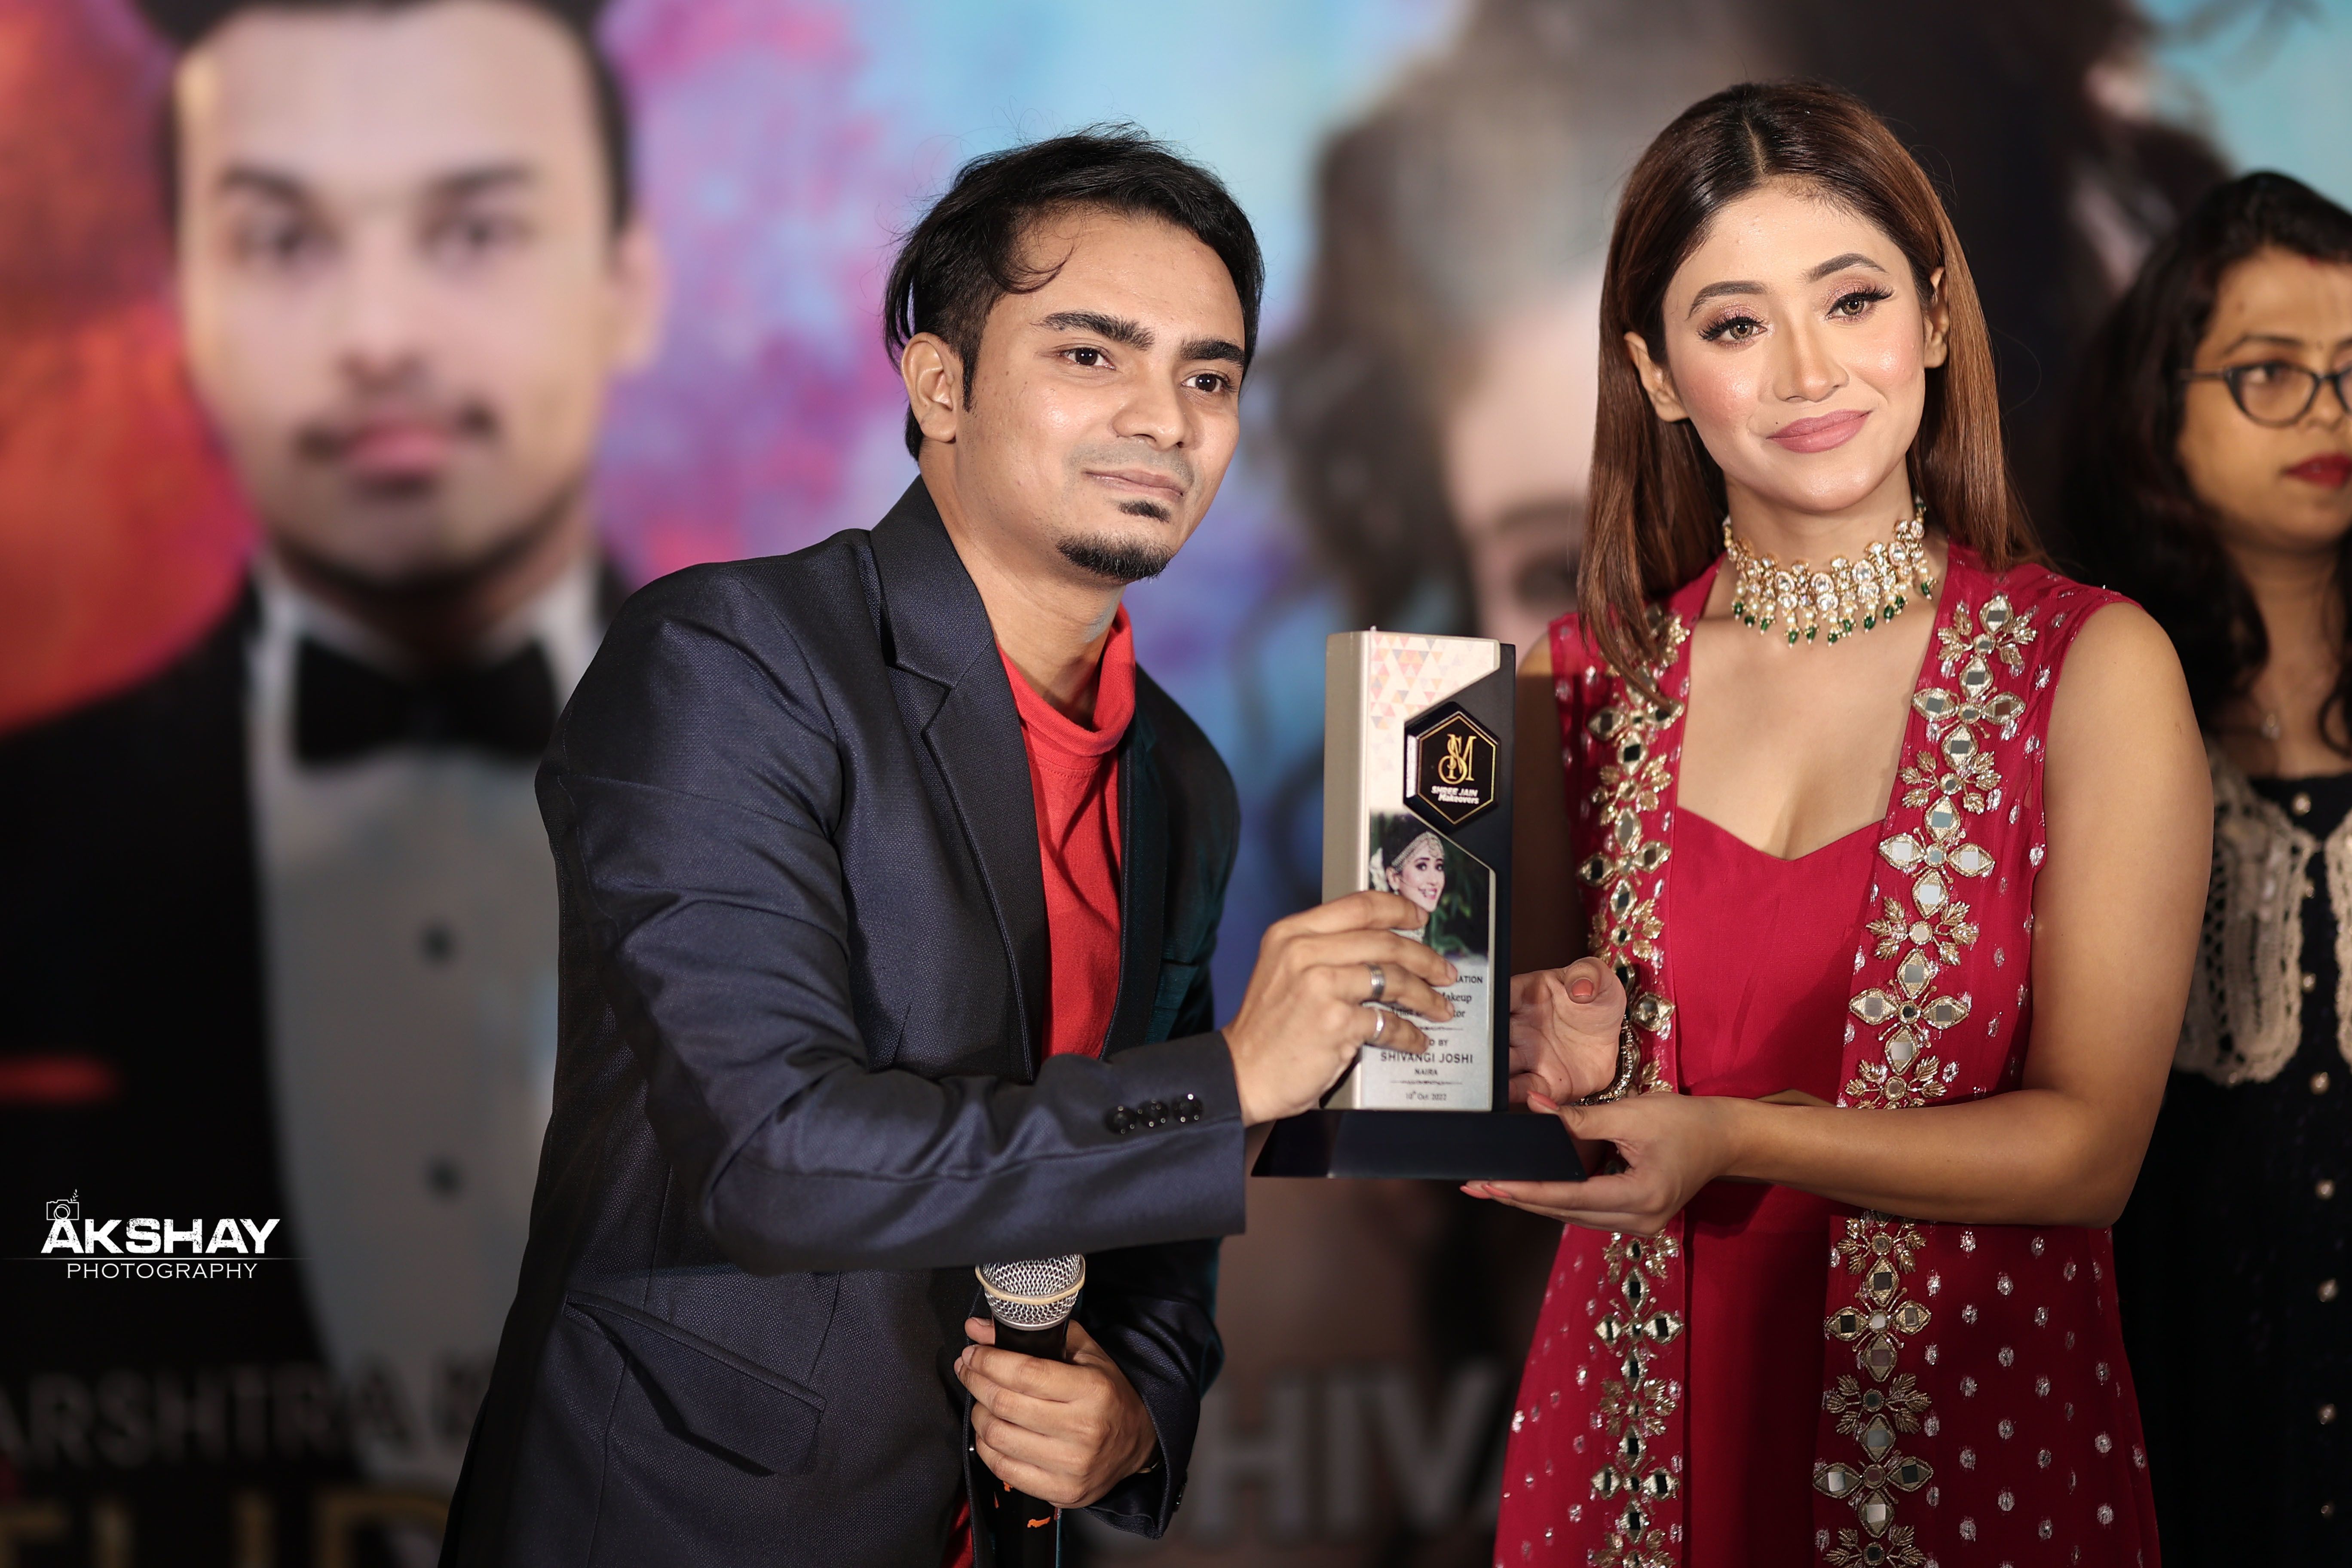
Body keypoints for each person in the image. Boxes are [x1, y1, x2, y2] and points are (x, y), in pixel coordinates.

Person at [436, 128, 1573, 1565]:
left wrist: (1141, 1409)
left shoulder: (1179, 774)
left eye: (1209, 378)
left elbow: (1158, 1213)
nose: (1163, 420)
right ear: (940, 385)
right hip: (693, 1521)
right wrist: (1233, 1075)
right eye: (1092, 355)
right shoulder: (732, 660)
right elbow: (777, 1159)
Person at [1468, 81, 2211, 1567]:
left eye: (1852, 299)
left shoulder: (2087, 665)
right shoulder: (1583, 682)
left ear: (1933, 318)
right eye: (1735, 324)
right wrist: (1540, 1046)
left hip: (1971, 1441)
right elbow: (1514, 1078)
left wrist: (1738, 1135)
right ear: (1658, 373)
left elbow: (2092, 1152)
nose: (1809, 370)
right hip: (1636, 1452)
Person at [0, 0, 659, 1555]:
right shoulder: (20, 854)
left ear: (627, 287)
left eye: (475, 231)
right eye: (284, 242)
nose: (378, 336)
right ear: (185, 303)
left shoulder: (901, 818)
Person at [2071, 170, 2352, 1564]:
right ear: (2162, 409)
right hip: (2175, 1376)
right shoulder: (2087, 698)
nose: (2328, 414)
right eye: (2269, 373)